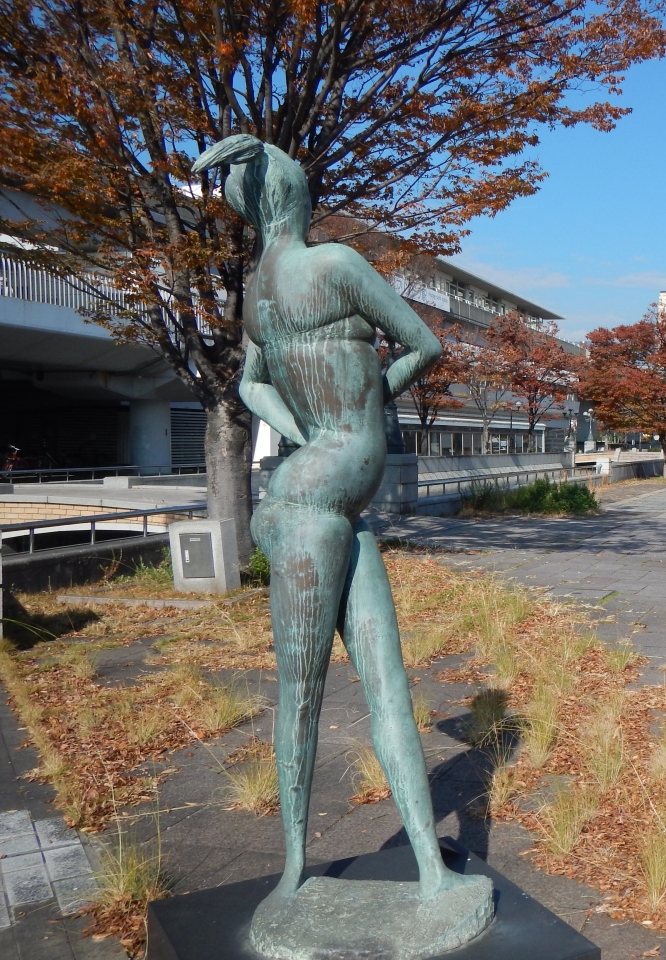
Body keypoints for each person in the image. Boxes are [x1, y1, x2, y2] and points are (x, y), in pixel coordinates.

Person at [191, 135, 490, 931]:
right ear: (296, 195)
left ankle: (430, 872)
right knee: (305, 691)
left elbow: (252, 384)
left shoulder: (258, 294)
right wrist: (363, 407)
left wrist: (308, 432)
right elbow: (427, 344)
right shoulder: (336, 264)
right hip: (312, 501)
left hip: (320, 493)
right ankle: (293, 875)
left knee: (381, 685)